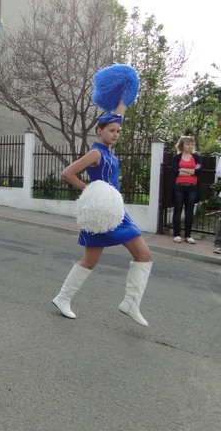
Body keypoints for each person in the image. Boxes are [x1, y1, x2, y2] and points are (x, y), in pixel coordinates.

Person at [52, 101, 152, 326]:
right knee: (90, 260)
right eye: (111, 130)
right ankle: (63, 297)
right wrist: (89, 189)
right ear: (99, 131)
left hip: (117, 212)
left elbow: (119, 117)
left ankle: (131, 303)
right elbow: (67, 173)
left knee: (143, 254)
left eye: (118, 131)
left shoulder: (108, 151)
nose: (116, 134)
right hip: (101, 212)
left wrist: (124, 97)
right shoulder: (96, 153)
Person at [171, 136, 201, 244]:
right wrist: (192, 171)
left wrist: (183, 169)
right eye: (188, 144)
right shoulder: (176, 158)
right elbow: (176, 172)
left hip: (192, 188)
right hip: (179, 187)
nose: (190, 146)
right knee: (178, 210)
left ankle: (188, 236)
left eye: (192, 144)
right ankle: (177, 235)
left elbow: (199, 172)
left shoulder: (196, 157)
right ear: (182, 145)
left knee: (189, 212)